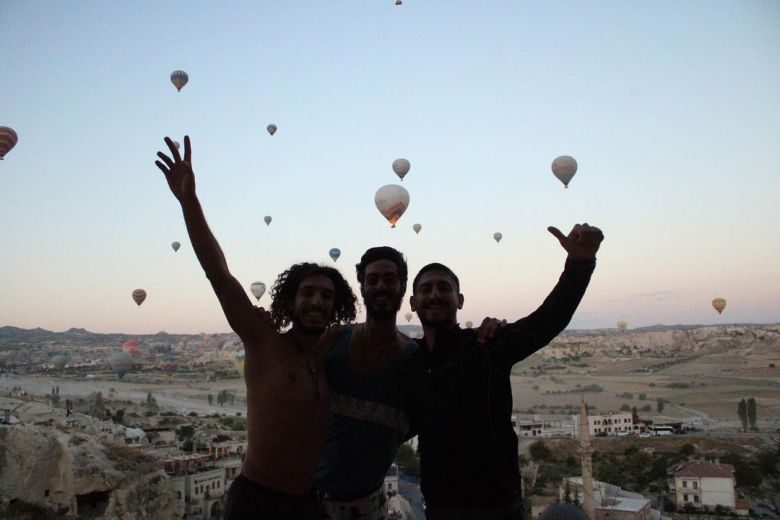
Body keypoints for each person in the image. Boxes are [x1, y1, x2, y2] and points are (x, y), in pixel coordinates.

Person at [155, 136, 358, 519]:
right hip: (257, 502)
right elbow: (219, 274)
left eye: (326, 296)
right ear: (290, 302)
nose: (317, 302)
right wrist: (189, 201)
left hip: (308, 503)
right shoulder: (264, 342)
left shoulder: (333, 351)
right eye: (307, 293)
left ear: (337, 306)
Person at [405, 223, 604, 520]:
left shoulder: (491, 343)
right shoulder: (410, 359)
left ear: (460, 300)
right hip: (441, 507)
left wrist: (580, 265)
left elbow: (547, 320)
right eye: (426, 289)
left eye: (444, 288)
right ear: (412, 303)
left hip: (498, 506)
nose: (435, 294)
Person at [314, 246, 419, 520]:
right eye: (372, 280)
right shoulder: (333, 341)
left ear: (403, 286)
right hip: (306, 500)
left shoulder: (415, 360)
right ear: (361, 287)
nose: (380, 286)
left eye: (389, 279)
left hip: (366, 508)